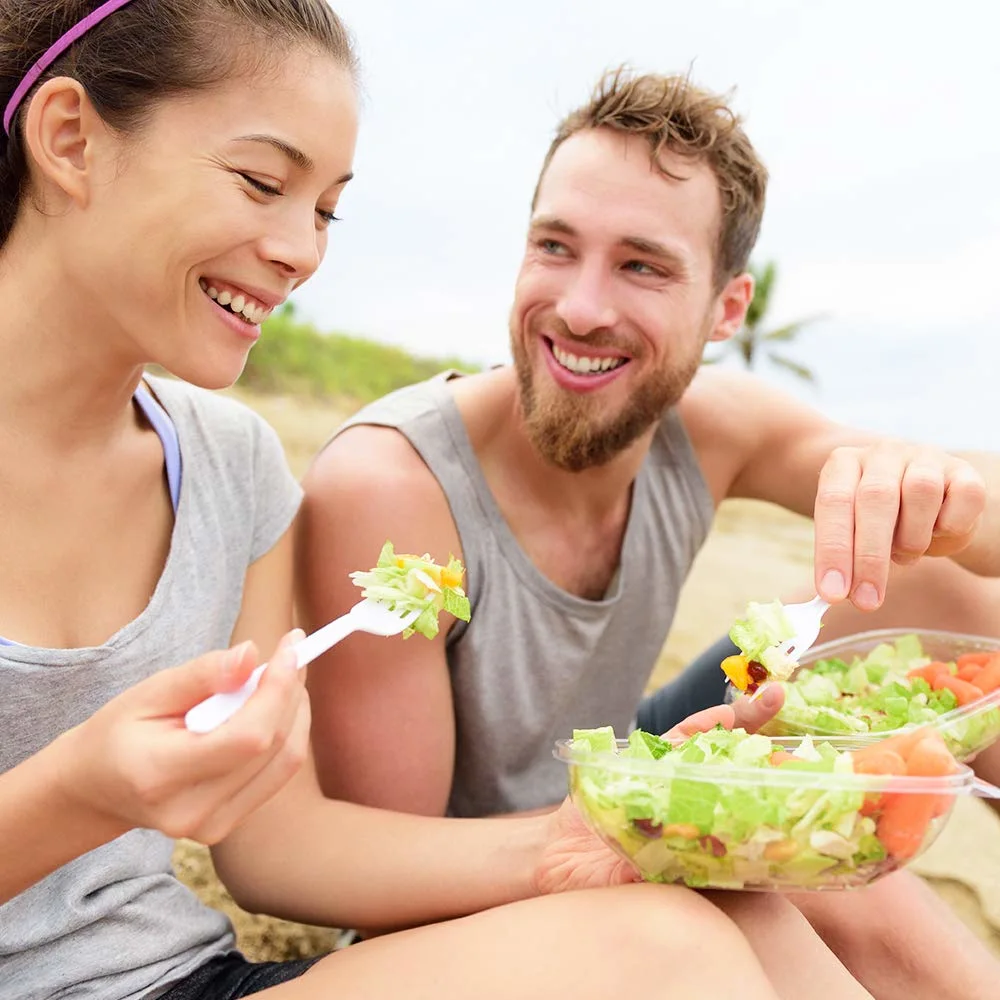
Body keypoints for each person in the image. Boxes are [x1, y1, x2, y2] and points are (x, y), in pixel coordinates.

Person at [0, 5, 878, 1000]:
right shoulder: (388, 470)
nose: (302, 251)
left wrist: (581, 833)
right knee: (668, 953)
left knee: (725, 911)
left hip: (193, 977)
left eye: (326, 210)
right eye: (262, 182)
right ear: (70, 139)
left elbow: (272, 849)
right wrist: (80, 791)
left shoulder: (231, 463)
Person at [298, 67, 1000, 1000]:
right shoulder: (391, 487)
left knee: (948, 588)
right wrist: (690, 829)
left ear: (726, 310)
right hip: (496, 870)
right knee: (841, 890)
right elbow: (387, 885)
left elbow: (948, 515)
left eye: (643, 265)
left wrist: (939, 489)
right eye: (556, 246)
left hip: (631, 750)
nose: (582, 306)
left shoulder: (715, 428)